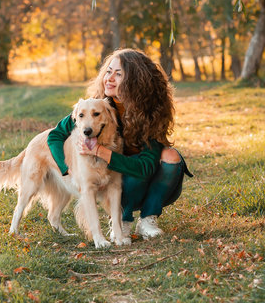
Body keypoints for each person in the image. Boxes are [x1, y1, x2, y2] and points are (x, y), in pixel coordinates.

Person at [47, 48, 192, 240]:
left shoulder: (151, 112)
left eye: (118, 74)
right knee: (120, 174)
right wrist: (66, 168)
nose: (109, 78)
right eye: (108, 72)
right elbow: (55, 135)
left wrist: (101, 152)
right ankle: (121, 220)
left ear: (135, 80)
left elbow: (146, 168)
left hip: (141, 179)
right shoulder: (97, 106)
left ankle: (148, 219)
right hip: (111, 184)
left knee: (170, 155)